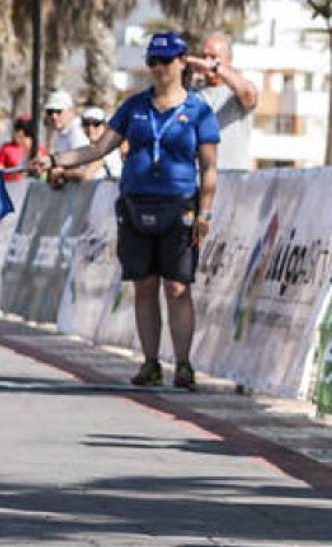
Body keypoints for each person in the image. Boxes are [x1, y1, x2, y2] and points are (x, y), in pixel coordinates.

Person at [30, 31, 218, 390]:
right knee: (144, 286)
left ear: (182, 63)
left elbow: (209, 167)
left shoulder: (198, 110)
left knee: (178, 286)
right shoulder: (135, 106)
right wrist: (53, 160)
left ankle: (183, 365)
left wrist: (205, 212)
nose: (159, 69)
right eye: (152, 62)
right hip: (135, 203)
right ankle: (150, 364)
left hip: (179, 205)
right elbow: (97, 149)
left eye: (166, 61)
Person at [187, 33, 258, 171]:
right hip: (197, 179)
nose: (207, 61)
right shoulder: (193, 93)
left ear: (228, 60)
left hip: (233, 177)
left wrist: (215, 68)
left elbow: (249, 93)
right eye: (204, 56)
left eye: (213, 57)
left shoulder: (236, 92)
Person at [43, 90, 102, 184]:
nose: (54, 116)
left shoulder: (78, 130)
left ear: (71, 111)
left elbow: (81, 167)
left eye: (58, 111)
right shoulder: (59, 133)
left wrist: (59, 172)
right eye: (50, 112)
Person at [0, 115, 42, 182]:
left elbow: (42, 174)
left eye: (23, 137)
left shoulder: (39, 151)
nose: (21, 141)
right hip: (11, 186)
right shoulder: (6, 148)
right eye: (18, 137)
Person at [81, 106, 123, 179]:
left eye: (96, 124)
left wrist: (65, 174)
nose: (90, 128)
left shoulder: (109, 149)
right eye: (86, 124)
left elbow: (86, 175)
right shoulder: (87, 150)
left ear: (105, 127)